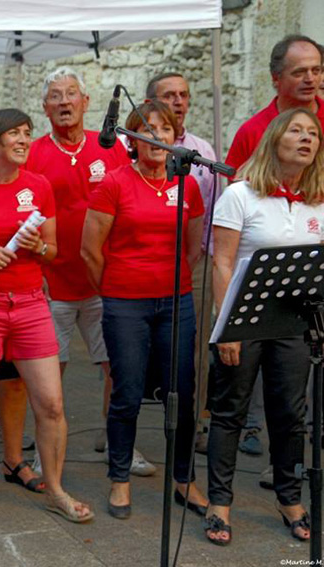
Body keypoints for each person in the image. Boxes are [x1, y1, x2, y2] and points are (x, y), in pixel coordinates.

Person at [0, 108, 94, 526]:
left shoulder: (39, 186)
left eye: (28, 133)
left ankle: (56, 489)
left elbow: (53, 251)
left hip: (29, 303)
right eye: (14, 134)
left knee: (52, 402)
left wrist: (36, 246)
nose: (24, 140)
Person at [25, 67, 155, 476]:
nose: (64, 102)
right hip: (52, 283)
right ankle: (41, 451)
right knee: (49, 375)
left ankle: (118, 443)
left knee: (118, 368)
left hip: (104, 282)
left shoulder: (113, 147)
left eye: (71, 95)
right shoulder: (34, 153)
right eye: (56, 96)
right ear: (45, 107)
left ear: (86, 102)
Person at [81, 100, 207, 520]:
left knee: (183, 394)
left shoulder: (187, 185)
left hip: (177, 301)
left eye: (164, 129)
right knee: (127, 393)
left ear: (176, 138)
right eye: (145, 129)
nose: (156, 136)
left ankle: (184, 479)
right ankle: (119, 480)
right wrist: (118, 290)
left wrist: (170, 283)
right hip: (125, 304)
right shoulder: (114, 182)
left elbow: (193, 246)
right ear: (130, 139)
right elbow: (90, 250)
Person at [205, 108, 324, 545]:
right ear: (275, 138)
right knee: (230, 410)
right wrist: (227, 328)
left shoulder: (318, 200)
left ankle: (290, 498)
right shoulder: (240, 195)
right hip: (245, 317)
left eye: (313, 133)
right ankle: (220, 503)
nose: (306, 138)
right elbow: (221, 262)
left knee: (290, 415)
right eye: (296, 130)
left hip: (294, 322)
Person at [146, 71, 221, 455]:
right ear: (150, 105)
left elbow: (209, 213)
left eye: (183, 95)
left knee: (195, 345)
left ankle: (199, 419)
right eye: (168, 96)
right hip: (145, 265)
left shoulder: (202, 150)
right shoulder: (138, 146)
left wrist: (197, 258)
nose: (178, 102)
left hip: (196, 260)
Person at [226, 35, 324, 170]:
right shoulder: (251, 131)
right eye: (299, 72)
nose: (310, 79)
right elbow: (237, 188)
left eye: (316, 71)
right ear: (276, 78)